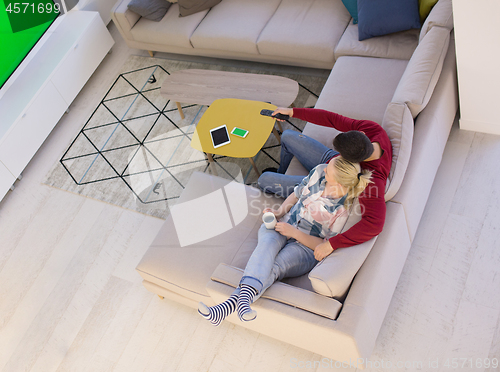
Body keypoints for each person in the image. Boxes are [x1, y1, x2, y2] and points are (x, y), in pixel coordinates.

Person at [198, 156, 373, 326]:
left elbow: (323, 245)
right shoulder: (319, 171)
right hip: (284, 223)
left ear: (339, 183)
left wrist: (295, 233)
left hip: (305, 248)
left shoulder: (343, 209)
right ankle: (240, 305)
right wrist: (279, 212)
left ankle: (224, 309)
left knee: (275, 267)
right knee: (265, 249)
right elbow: (296, 194)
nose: (324, 169)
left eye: (329, 172)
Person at [258, 107, 392, 259]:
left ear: (352, 162)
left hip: (331, 179)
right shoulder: (373, 130)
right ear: (361, 134)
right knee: (288, 136)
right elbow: (333, 119)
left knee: (264, 179)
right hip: (330, 163)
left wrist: (331, 244)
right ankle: (281, 171)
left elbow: (375, 224)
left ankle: (278, 178)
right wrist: (293, 112)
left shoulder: (374, 180)